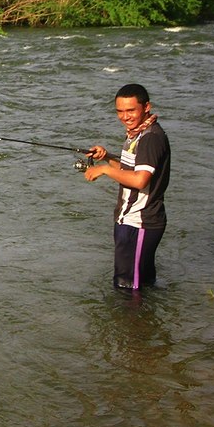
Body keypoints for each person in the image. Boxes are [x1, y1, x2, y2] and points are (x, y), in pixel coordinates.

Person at [83, 84, 171, 291]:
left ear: (146, 107)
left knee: (128, 289)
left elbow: (140, 180)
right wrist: (108, 157)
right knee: (141, 284)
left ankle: (132, 322)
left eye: (131, 110)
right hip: (130, 220)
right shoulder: (136, 134)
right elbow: (128, 170)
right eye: (120, 111)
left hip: (140, 222)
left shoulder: (150, 138)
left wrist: (104, 169)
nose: (125, 116)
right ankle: (147, 321)